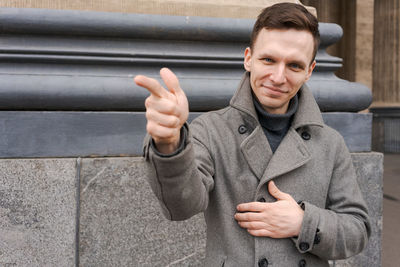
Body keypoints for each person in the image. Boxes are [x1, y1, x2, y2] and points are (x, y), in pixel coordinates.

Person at [134, 3, 370, 266]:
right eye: (268, 60)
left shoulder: (330, 143)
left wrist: (303, 222)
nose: (278, 77)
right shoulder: (210, 130)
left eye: (294, 65)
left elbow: (357, 230)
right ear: (248, 58)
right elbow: (181, 206)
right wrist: (170, 143)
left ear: (309, 71)